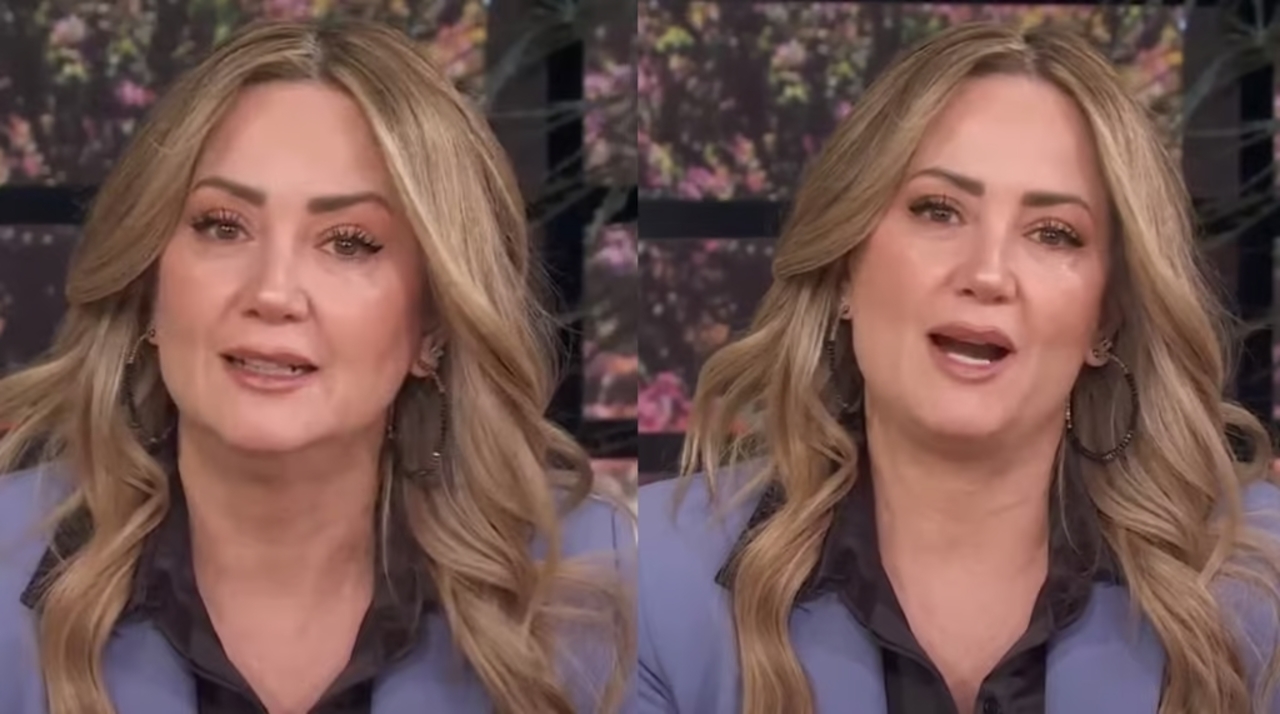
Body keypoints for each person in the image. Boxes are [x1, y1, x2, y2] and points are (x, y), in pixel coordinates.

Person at [638, 21, 1280, 714]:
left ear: (1106, 319)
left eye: (1054, 233)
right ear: (845, 268)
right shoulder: (652, 577)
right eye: (938, 211)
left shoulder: (1257, 578)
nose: (987, 272)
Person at [0, 18, 634, 714]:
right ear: (148, 285)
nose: (273, 293)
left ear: (432, 324)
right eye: (223, 226)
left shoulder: (600, 594)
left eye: (349, 242)